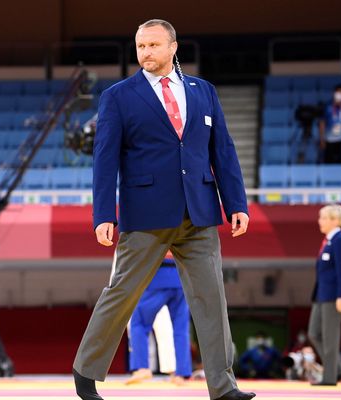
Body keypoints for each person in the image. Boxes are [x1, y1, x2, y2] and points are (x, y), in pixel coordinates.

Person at [72, 19, 255, 400]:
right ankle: (86, 372)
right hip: (145, 214)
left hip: (200, 211)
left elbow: (223, 151)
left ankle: (223, 387)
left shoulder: (203, 91)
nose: (145, 53)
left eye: (153, 45)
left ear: (174, 47)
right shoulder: (119, 97)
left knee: (211, 299)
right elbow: (104, 161)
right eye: (140, 47)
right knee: (122, 292)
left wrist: (236, 203)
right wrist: (103, 214)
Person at [126, 255, 192, 385]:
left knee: (138, 322)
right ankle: (181, 374)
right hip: (182, 277)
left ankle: (142, 367)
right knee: (181, 329)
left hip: (158, 276)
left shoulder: (151, 232)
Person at [308, 204, 341, 386]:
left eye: (324, 218)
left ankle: (330, 377)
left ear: (335, 220)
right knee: (314, 333)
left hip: (334, 297)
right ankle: (339, 369)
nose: (320, 221)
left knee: (330, 338)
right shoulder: (329, 241)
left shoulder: (340, 240)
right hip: (321, 296)